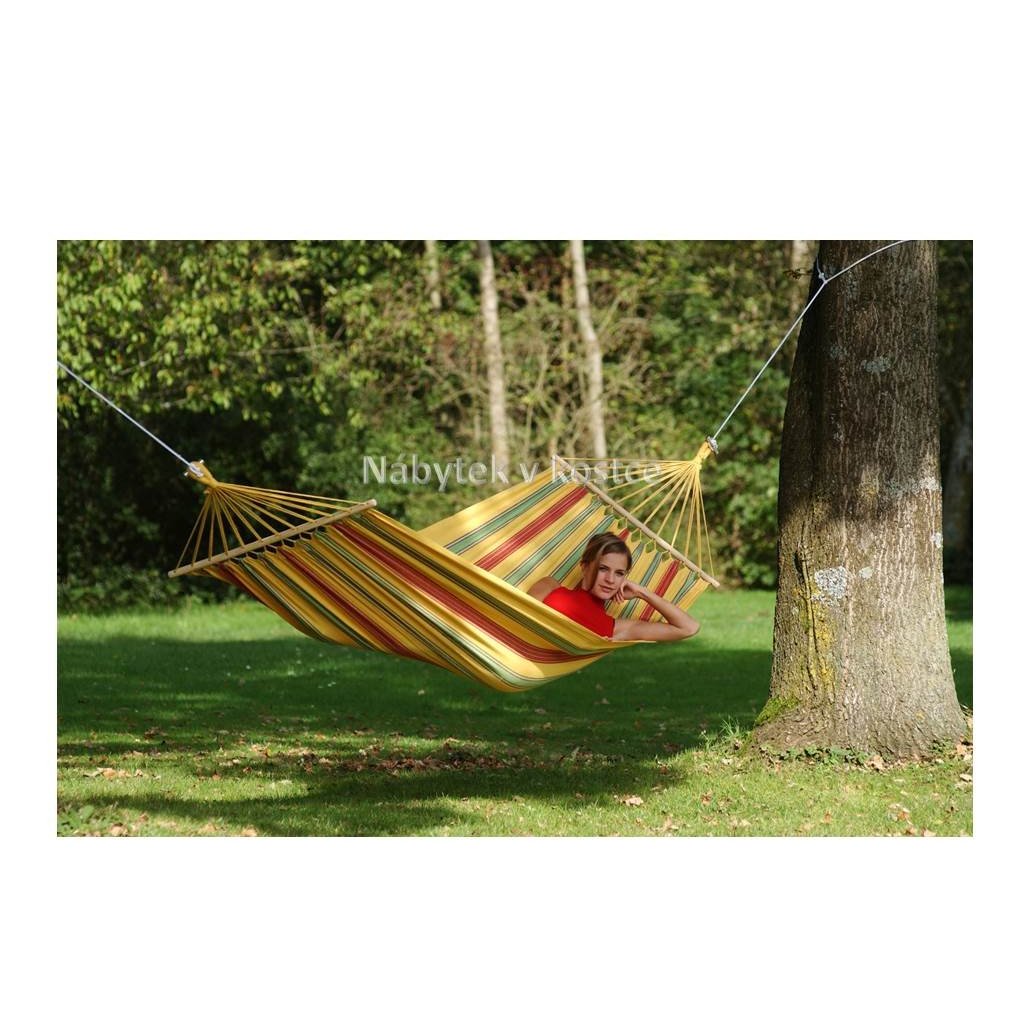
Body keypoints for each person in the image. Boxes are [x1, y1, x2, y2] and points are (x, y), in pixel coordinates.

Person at [527, 532, 700, 642]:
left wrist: (642, 592)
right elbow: (521, 618)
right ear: (584, 567)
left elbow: (689, 628)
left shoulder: (615, 628)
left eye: (619, 573)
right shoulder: (550, 586)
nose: (610, 580)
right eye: (603, 569)